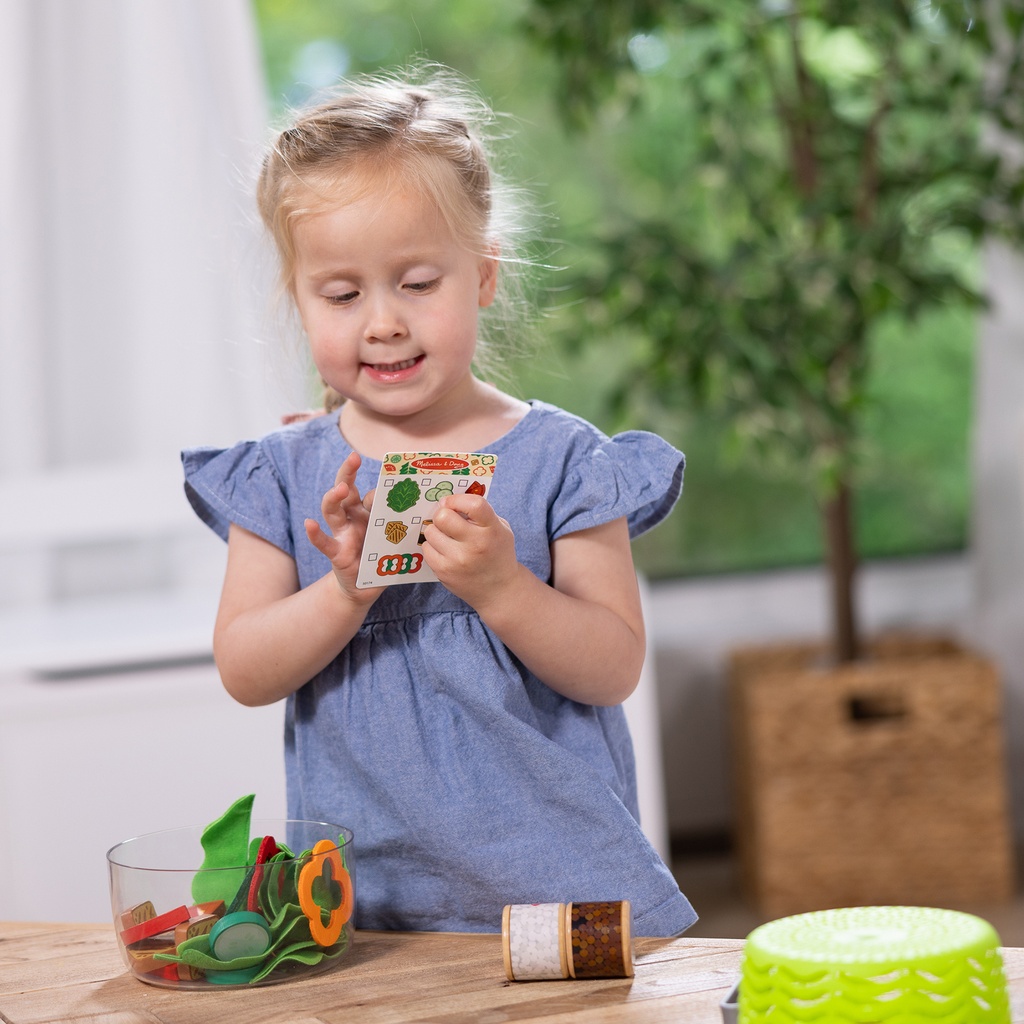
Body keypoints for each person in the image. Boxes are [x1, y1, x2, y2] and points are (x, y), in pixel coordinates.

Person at [182, 66, 696, 936]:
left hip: (561, 882)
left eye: (418, 284)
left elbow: (612, 665)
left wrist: (504, 588)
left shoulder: (562, 458)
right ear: (300, 299)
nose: (382, 321)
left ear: (484, 276)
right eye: (342, 294)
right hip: (371, 902)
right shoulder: (281, 473)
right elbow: (245, 668)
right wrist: (348, 587)